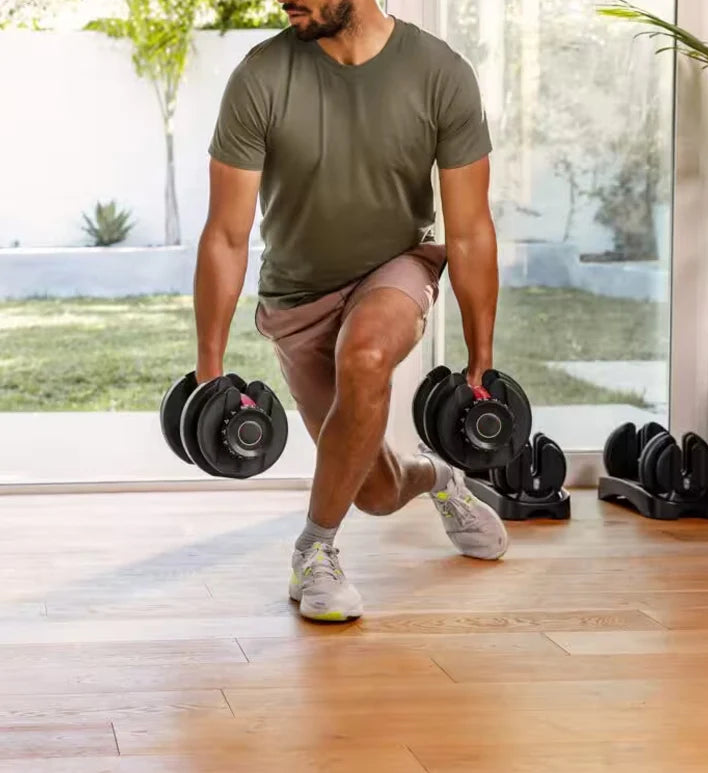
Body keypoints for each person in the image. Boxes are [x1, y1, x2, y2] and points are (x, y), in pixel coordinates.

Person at [194, 0, 506, 622]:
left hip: (396, 267)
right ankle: (438, 480)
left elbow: (469, 229)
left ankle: (314, 549)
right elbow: (226, 235)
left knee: (364, 355)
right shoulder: (261, 77)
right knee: (376, 491)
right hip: (296, 298)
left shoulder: (439, 72)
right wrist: (208, 368)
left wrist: (482, 354)